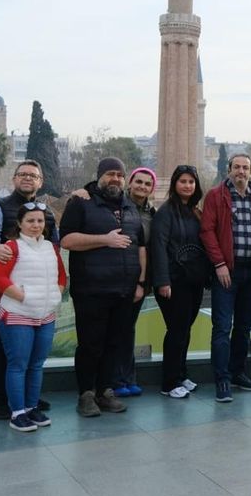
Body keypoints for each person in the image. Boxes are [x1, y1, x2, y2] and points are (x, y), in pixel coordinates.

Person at [59, 157, 146, 417]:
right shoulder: (81, 203)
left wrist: (140, 282)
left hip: (124, 290)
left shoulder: (130, 208)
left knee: (114, 344)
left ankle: (105, 391)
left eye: (120, 175)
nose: (115, 179)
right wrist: (104, 240)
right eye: (110, 174)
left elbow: (140, 247)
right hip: (91, 290)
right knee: (90, 345)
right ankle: (86, 394)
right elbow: (67, 240)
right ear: (99, 176)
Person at [0, 160, 58, 420]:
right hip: (6, 290)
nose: (27, 178)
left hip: (39, 292)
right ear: (14, 179)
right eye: (23, 174)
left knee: (33, 350)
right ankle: (0, 400)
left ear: (40, 182)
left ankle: (27, 399)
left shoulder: (47, 212)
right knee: (2, 347)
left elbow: (54, 247)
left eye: (33, 176)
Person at [0, 202, 65, 431]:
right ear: (20, 223)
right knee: (18, 364)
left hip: (45, 315)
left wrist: (55, 296)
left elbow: (61, 276)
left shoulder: (51, 248)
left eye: (40, 221)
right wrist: (24, 297)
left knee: (36, 364)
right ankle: (17, 413)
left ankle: (32, 407)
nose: (36, 225)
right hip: (17, 315)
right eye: (30, 220)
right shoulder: (12, 247)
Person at [200, 153, 251, 403]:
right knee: (222, 327)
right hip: (226, 271)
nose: (241, 171)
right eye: (236, 167)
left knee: (244, 326)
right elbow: (207, 231)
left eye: (245, 167)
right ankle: (222, 379)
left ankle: (238, 372)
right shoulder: (216, 195)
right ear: (229, 170)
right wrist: (219, 264)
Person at [150, 165, 211, 398]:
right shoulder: (165, 213)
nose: (187, 185)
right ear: (175, 184)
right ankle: (169, 382)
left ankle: (181, 374)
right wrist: (162, 281)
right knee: (177, 330)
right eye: (183, 181)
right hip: (173, 282)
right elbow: (158, 247)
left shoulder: (195, 212)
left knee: (185, 330)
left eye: (191, 182)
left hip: (193, 281)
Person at [112, 167, 157, 397]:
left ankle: (127, 378)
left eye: (147, 184)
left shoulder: (152, 212)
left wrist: (143, 283)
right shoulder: (117, 206)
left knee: (128, 329)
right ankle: (115, 380)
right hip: (118, 276)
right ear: (130, 183)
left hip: (141, 279)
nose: (142, 186)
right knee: (117, 329)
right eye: (138, 182)